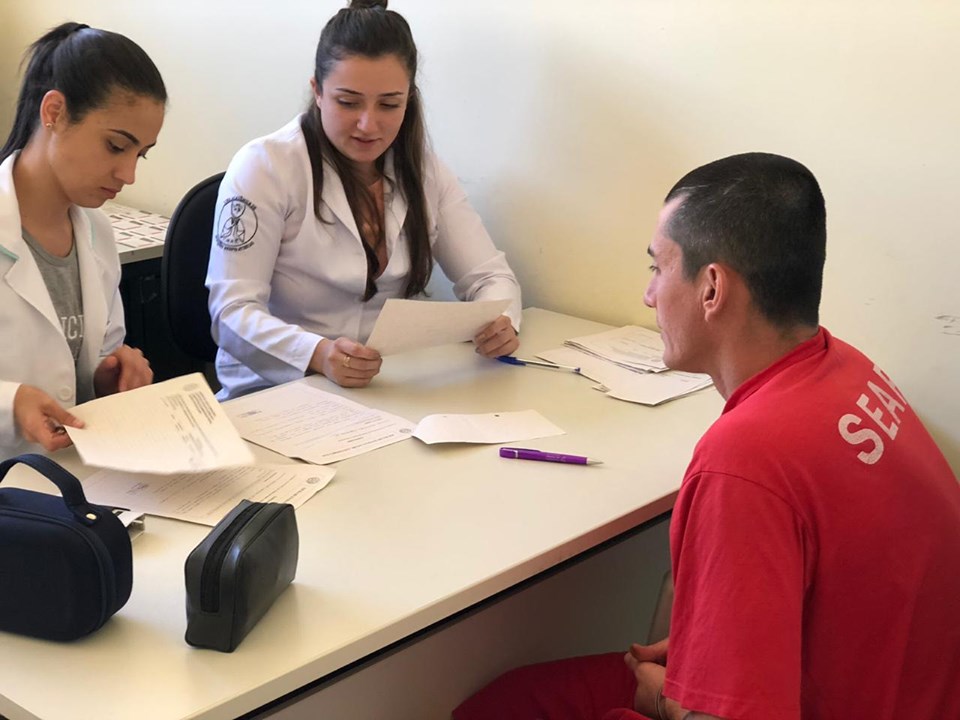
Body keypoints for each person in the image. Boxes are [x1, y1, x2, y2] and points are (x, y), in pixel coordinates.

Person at [453, 153, 960, 720]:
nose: (649, 295)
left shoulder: (745, 460)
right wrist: (710, 642)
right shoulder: (850, 370)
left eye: (658, 268)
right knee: (518, 697)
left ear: (712, 288)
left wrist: (662, 699)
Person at [207, 0, 522, 400]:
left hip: (382, 393)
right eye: (348, 102)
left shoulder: (424, 171)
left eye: (389, 104)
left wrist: (501, 321)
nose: (368, 124)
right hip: (275, 393)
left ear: (409, 99)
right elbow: (232, 313)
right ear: (317, 91)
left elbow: (490, 277)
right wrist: (318, 354)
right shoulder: (266, 167)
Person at [0, 22, 165, 459]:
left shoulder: (97, 232)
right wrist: (10, 403)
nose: (128, 175)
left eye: (140, 154)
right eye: (115, 146)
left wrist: (107, 377)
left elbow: (87, 367)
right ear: (54, 112)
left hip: (81, 474)